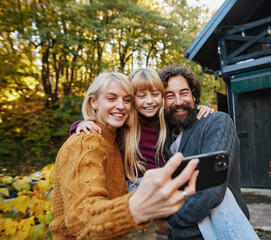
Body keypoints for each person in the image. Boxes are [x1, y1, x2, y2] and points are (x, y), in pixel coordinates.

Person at [49, 72, 199, 239]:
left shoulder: (115, 138)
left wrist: (202, 110)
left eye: (127, 100)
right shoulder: (86, 141)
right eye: (111, 98)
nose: (121, 106)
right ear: (94, 102)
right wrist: (136, 208)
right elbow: (81, 220)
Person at [155, 65, 258, 239]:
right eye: (169, 95)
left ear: (194, 95)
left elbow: (211, 189)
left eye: (184, 93)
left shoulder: (216, 122)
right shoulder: (164, 136)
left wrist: (171, 224)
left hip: (220, 229)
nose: (178, 101)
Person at [71, 68, 213, 191]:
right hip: (135, 184)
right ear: (131, 99)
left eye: (155, 94)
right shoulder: (125, 122)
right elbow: (103, 127)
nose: (149, 101)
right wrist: (80, 124)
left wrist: (200, 109)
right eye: (141, 96)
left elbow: (183, 115)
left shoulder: (164, 120)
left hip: (165, 179)